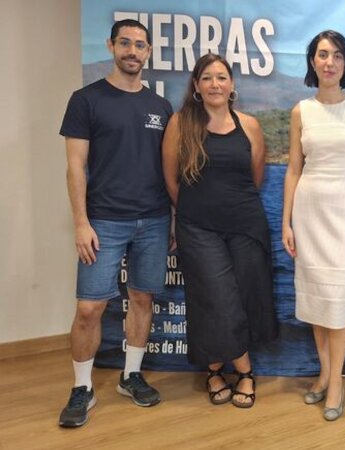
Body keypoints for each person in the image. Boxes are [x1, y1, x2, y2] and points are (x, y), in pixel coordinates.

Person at [58, 19, 173, 428]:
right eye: (125, 43)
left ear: (148, 52)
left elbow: (169, 169)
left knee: (142, 299)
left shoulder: (161, 107)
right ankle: (82, 388)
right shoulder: (86, 100)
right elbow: (75, 167)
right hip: (103, 221)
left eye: (140, 45)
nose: (132, 51)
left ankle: (131, 376)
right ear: (111, 46)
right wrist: (81, 222)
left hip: (154, 220)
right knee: (90, 307)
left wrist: (173, 220)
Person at [162, 54, 278, 408]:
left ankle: (213, 369)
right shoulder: (181, 123)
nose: (215, 84)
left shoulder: (250, 125)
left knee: (244, 296)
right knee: (216, 296)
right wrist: (195, 210)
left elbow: (255, 176)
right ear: (197, 86)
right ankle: (245, 370)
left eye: (222, 77)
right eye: (207, 78)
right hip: (198, 227)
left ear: (232, 85)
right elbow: (171, 179)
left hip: (246, 225)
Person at [281, 30, 345, 421]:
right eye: (323, 54)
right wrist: (286, 222)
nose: (330, 62)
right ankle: (324, 373)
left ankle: (336, 383)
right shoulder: (300, 111)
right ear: (312, 61)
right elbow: (293, 169)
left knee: (338, 303)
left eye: (337, 55)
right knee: (317, 301)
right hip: (309, 215)